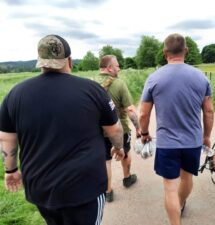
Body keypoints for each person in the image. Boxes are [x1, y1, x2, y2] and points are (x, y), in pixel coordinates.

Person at [0, 34, 125, 225]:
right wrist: (118, 147)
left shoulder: (16, 94)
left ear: (40, 62)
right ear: (70, 61)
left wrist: (11, 170)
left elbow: (6, 138)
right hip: (85, 187)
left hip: (41, 188)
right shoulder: (91, 90)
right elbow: (115, 129)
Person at [139, 33, 214, 225]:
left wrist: (145, 133)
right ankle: (180, 204)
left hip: (167, 143)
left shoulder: (154, 78)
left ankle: (175, 219)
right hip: (192, 141)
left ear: (165, 53)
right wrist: (206, 136)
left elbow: (144, 114)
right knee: (187, 178)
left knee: (170, 188)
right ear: (186, 51)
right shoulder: (201, 77)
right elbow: (209, 112)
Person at [94, 55, 140, 202]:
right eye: (117, 65)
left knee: (106, 160)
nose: (119, 68)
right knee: (125, 153)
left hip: (99, 132)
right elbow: (130, 111)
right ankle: (127, 178)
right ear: (109, 68)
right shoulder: (119, 84)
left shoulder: (91, 83)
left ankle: (108, 191)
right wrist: (139, 128)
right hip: (120, 130)